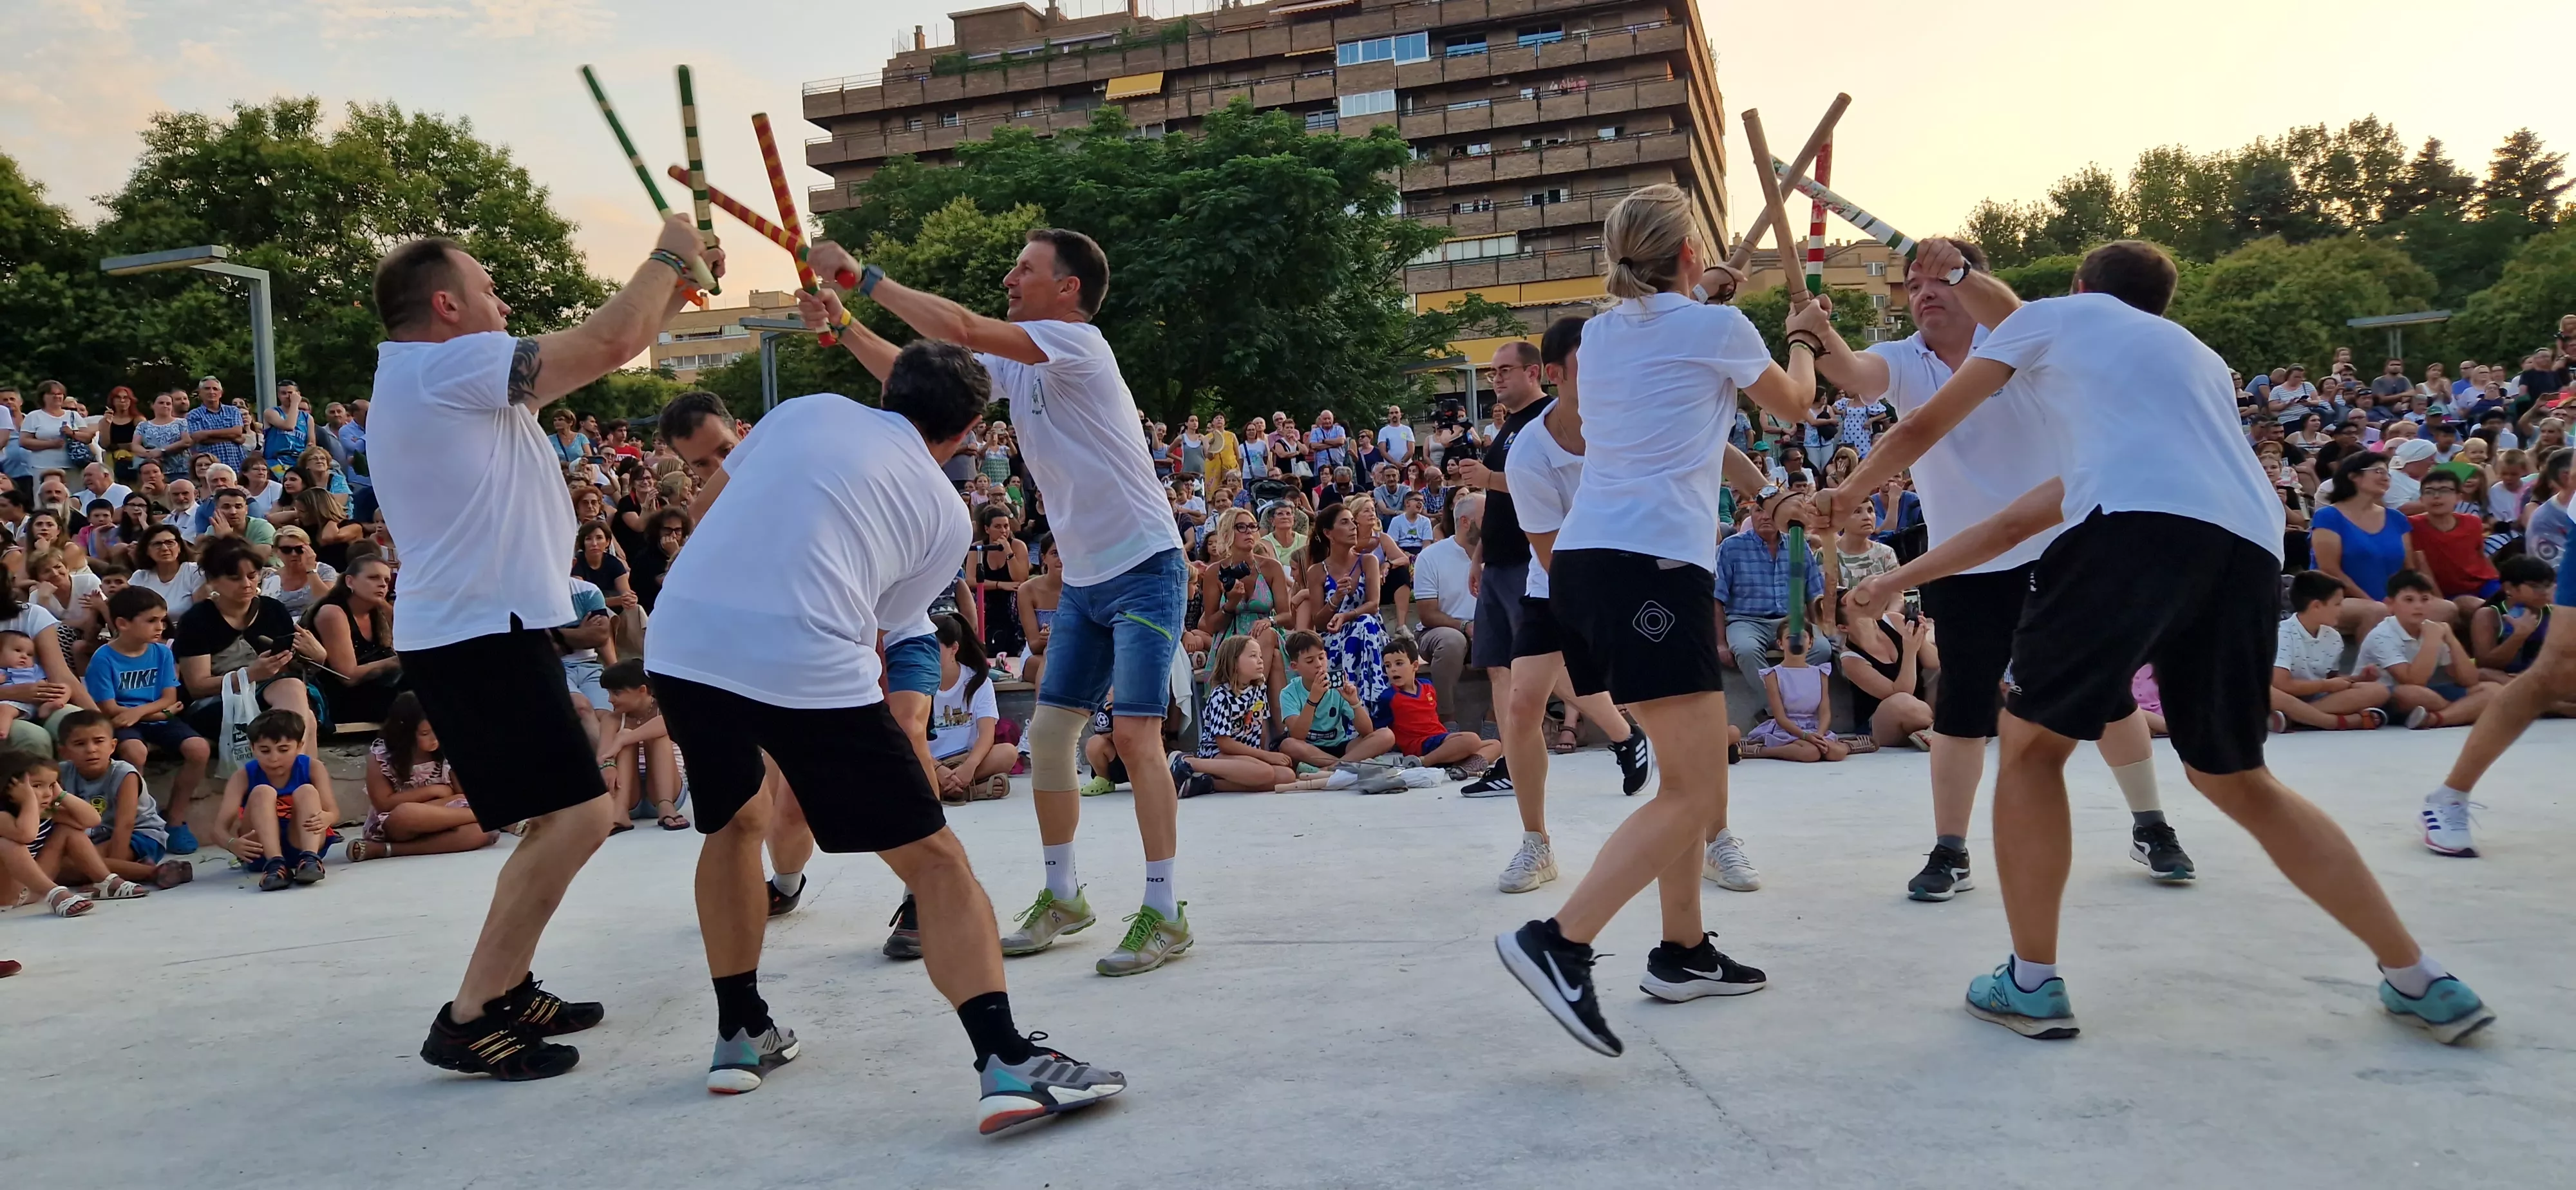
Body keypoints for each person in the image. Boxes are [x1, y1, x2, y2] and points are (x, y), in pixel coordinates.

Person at [1821, 236, 2488, 1044]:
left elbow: (1926, 421)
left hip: (2127, 536)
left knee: (2031, 751)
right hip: (2244, 545)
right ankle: (2419, 976)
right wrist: (1894, 581)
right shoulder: (2189, 366)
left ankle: (2029, 984)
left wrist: (1847, 491)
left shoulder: (2058, 320)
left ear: (2078, 288)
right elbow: (2015, 520)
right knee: (2238, 776)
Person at [645, 346, 1127, 1124]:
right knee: (937, 864)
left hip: (681, 643)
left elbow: (705, 515)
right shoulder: (944, 514)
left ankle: (740, 1033)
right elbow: (880, 622)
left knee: (735, 822)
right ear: (971, 427)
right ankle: (1007, 1061)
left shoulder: (802, 411)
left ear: (885, 390)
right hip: (805, 652)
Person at [371, 220, 717, 1080]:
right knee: (579, 815)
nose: (505, 302)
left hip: (491, 628)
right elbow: (612, 337)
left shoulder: (458, 384)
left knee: (568, 815)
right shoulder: (443, 366)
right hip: (474, 633)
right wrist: (671, 252)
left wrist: (677, 284)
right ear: (446, 306)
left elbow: (619, 342)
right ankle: (469, 1015)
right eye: (488, 288)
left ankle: (509, 985)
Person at [810, 230, 1194, 979]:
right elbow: (920, 382)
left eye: (1026, 268)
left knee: (1141, 740)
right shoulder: (1019, 368)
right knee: (1049, 741)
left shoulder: (1077, 346)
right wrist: (843, 324)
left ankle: (1165, 911)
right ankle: (1063, 897)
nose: (1009, 276)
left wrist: (862, 279)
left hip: (1147, 567)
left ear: (1069, 289)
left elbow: (955, 327)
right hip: (1084, 581)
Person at [1497, 185, 1819, 1055]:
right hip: (1654, 567)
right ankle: (1558, 943)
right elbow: (1797, 405)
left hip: (1595, 565)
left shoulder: (1600, 338)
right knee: (1699, 789)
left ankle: (1682, 950)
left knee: (1688, 774)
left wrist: (1703, 299)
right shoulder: (1715, 329)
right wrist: (1801, 330)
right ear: (1686, 255)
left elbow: (1665, 351)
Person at [1797, 241, 2193, 900]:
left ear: (1970, 284)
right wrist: (1817, 334)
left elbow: (2004, 313)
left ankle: (2152, 825)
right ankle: (1949, 850)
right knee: (1960, 704)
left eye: (1939, 280)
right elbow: (1856, 376)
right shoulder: (1903, 359)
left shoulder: (2026, 339)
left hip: (2055, 546)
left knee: (2107, 694)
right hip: (1962, 559)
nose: (1923, 293)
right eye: (1912, 283)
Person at [1487, 315, 1657, 891]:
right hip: (1557, 583)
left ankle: (1716, 834)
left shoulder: (1635, 427)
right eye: (1592, 364)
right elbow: (1553, 555)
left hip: (1642, 577)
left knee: (1669, 708)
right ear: (1556, 375)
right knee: (1521, 706)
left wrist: (1765, 490)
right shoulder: (1528, 453)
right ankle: (1536, 844)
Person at [175, 537, 323, 755]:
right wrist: (250, 674)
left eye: (252, 576)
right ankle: (300, 778)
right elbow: (198, 687)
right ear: (214, 581)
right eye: (235, 578)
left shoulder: (273, 610)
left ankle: (295, 778)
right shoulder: (197, 619)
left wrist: (317, 658)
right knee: (298, 707)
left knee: (296, 699)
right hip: (217, 704)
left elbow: (289, 668)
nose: (246, 584)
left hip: (274, 697)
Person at [83, 587, 209, 838]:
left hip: (146, 716)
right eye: (151, 621)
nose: (160, 627)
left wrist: (143, 713)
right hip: (125, 721)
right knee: (135, 752)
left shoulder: (161, 652)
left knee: (199, 748)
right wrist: (160, 714)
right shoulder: (103, 658)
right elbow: (109, 709)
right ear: (123, 623)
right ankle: (140, 821)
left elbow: (169, 698)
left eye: (162, 620)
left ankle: (175, 817)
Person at [1, 749, 150, 910]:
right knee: (7, 844)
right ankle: (55, 894)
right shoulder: (4, 816)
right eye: (37, 786)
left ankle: (106, 882)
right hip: (6, 894)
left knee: (68, 830)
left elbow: (92, 820)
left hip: (32, 890)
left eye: (51, 786)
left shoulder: (47, 812)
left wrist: (61, 795)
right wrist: (30, 799)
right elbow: (27, 835)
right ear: (9, 788)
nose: (46, 794)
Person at [2362, 569, 2504, 730]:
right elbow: (2414, 681)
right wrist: (2431, 640)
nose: (2418, 606)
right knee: (2412, 693)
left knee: (2494, 689)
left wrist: (2451, 638)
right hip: (2384, 699)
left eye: (2425, 600)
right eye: (2409, 600)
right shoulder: (2382, 635)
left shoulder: (2432, 629)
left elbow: (2469, 680)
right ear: (2390, 605)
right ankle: (2464, 711)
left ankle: (2435, 719)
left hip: (2427, 698)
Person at [213, 708, 336, 891]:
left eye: (283, 749)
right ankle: (275, 865)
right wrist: (233, 844)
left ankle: (310, 860)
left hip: (301, 841)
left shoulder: (312, 767)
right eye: (265, 750)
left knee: (307, 791)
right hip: (261, 850)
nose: (274, 758)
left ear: (299, 746)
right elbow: (218, 830)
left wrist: (327, 818)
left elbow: (333, 812)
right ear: (252, 748)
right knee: (262, 791)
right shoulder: (244, 776)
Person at [2269, 569, 2392, 732]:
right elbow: (2282, 685)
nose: (2341, 609)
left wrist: (2358, 678)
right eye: (2337, 604)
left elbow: (2331, 681)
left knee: (2379, 691)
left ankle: (2295, 717)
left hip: (2314, 698)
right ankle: (2331, 721)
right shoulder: (2284, 634)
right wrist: (2325, 686)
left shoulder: (2333, 638)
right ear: (2317, 606)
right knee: (2267, 691)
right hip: (2282, 696)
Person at [925, 614, 1014, 804]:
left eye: (934, 648)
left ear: (954, 649)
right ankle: (972, 790)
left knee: (1008, 753)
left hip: (966, 759)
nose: (926, 654)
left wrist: (969, 767)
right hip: (929, 761)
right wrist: (937, 769)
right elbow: (910, 737)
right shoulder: (917, 682)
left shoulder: (978, 682)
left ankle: (943, 790)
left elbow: (986, 735)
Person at [1275, 629, 1396, 770]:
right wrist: (1313, 700)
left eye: (1321, 657)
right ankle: (1348, 764)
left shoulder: (1337, 687)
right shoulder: (1289, 693)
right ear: (1295, 666)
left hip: (1340, 746)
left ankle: (1332, 768)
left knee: (1386, 735)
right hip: (1309, 749)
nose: (1319, 664)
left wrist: (1354, 702)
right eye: (1310, 661)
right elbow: (1298, 735)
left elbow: (1367, 731)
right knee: (1288, 745)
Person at [307, 555, 402, 726]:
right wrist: (396, 661)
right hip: (344, 699)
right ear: (350, 581)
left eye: (386, 580)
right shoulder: (333, 613)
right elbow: (347, 676)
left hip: (379, 690)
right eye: (373, 578)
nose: (382, 584)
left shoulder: (378, 612)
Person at [1381, 636, 1499, 773]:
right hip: (1421, 746)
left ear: (1415, 666)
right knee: (1471, 739)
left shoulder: (1427, 686)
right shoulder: (1388, 697)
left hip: (1440, 739)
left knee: (1495, 744)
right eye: (1388, 666)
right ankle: (1421, 762)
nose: (1393, 670)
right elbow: (1380, 728)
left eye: (1399, 663)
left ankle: (1463, 767)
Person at [593, 660, 684, 831]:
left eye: (617, 693)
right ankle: (619, 812)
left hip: (668, 792)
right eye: (609, 693)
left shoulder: (667, 711)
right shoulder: (612, 719)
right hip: (628, 797)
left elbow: (667, 724)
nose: (610, 699)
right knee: (625, 734)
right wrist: (609, 765)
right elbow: (603, 756)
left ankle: (666, 807)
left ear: (642, 690)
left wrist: (622, 740)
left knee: (655, 735)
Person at [1737, 632, 1850, 762]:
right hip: (1787, 729)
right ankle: (1763, 751)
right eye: (1790, 638)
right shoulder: (1773, 675)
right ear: (1780, 643)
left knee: (1835, 753)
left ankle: (1849, 745)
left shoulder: (1820, 673)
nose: (1797, 642)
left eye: (1803, 637)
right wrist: (1805, 736)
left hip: (1814, 728)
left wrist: (1819, 735)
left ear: (1811, 643)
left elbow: (1825, 712)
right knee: (1810, 753)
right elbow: (1780, 717)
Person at [2407, 471, 2499, 623]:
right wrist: (2440, 601)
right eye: (2429, 492)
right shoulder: (2411, 526)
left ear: (2458, 497)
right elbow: (2421, 567)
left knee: (2513, 603)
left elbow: (2481, 555)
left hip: (2484, 582)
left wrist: (2498, 580)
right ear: (2422, 499)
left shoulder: (2473, 522)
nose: (2436, 496)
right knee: (2479, 608)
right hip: (2449, 592)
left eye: (2444, 491)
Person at [970, 504, 1029, 659]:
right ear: (987, 529)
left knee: (1016, 600)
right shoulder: (978, 548)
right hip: (987, 599)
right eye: (998, 527)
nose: (1003, 531)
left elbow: (1021, 578)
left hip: (1011, 601)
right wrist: (999, 584)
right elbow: (970, 581)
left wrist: (1009, 552)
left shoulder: (1018, 546)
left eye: (1006, 526)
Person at [0, 630, 70, 741]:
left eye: (29, 654)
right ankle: (2, 730)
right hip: (11, 702)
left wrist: (44, 686)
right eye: (18, 651)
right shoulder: (2, 671)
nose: (24, 656)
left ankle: (50, 706)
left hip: (35, 701)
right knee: (5, 709)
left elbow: (43, 682)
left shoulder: (34, 669)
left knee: (65, 687)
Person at [261, 525, 337, 618]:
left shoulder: (324, 571)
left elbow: (328, 602)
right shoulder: (272, 579)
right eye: (286, 550)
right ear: (277, 552)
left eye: (299, 549)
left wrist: (311, 570)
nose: (294, 554)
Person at [127, 525, 201, 619]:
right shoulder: (140, 577)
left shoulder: (194, 572)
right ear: (147, 551)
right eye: (157, 544)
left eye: (170, 542)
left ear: (179, 547)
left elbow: (202, 613)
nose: (165, 548)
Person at [184, 377, 248, 473]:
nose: (211, 392)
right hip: (210, 465)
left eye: (215, 389)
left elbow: (238, 431)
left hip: (237, 462)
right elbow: (199, 438)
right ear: (200, 393)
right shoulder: (193, 415)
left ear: (221, 394)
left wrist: (207, 433)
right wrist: (231, 437)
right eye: (207, 389)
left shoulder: (233, 410)